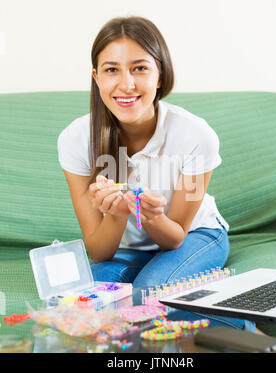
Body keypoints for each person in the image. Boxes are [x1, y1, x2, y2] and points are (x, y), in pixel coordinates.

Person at [57, 16, 256, 332]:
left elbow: (176, 235)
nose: (127, 84)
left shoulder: (195, 135)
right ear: (96, 77)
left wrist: (148, 214)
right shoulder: (75, 139)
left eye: (140, 68)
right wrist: (119, 213)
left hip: (195, 235)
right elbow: (98, 250)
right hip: (125, 248)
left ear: (160, 75)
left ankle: (244, 328)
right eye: (112, 70)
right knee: (82, 303)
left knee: (149, 293)